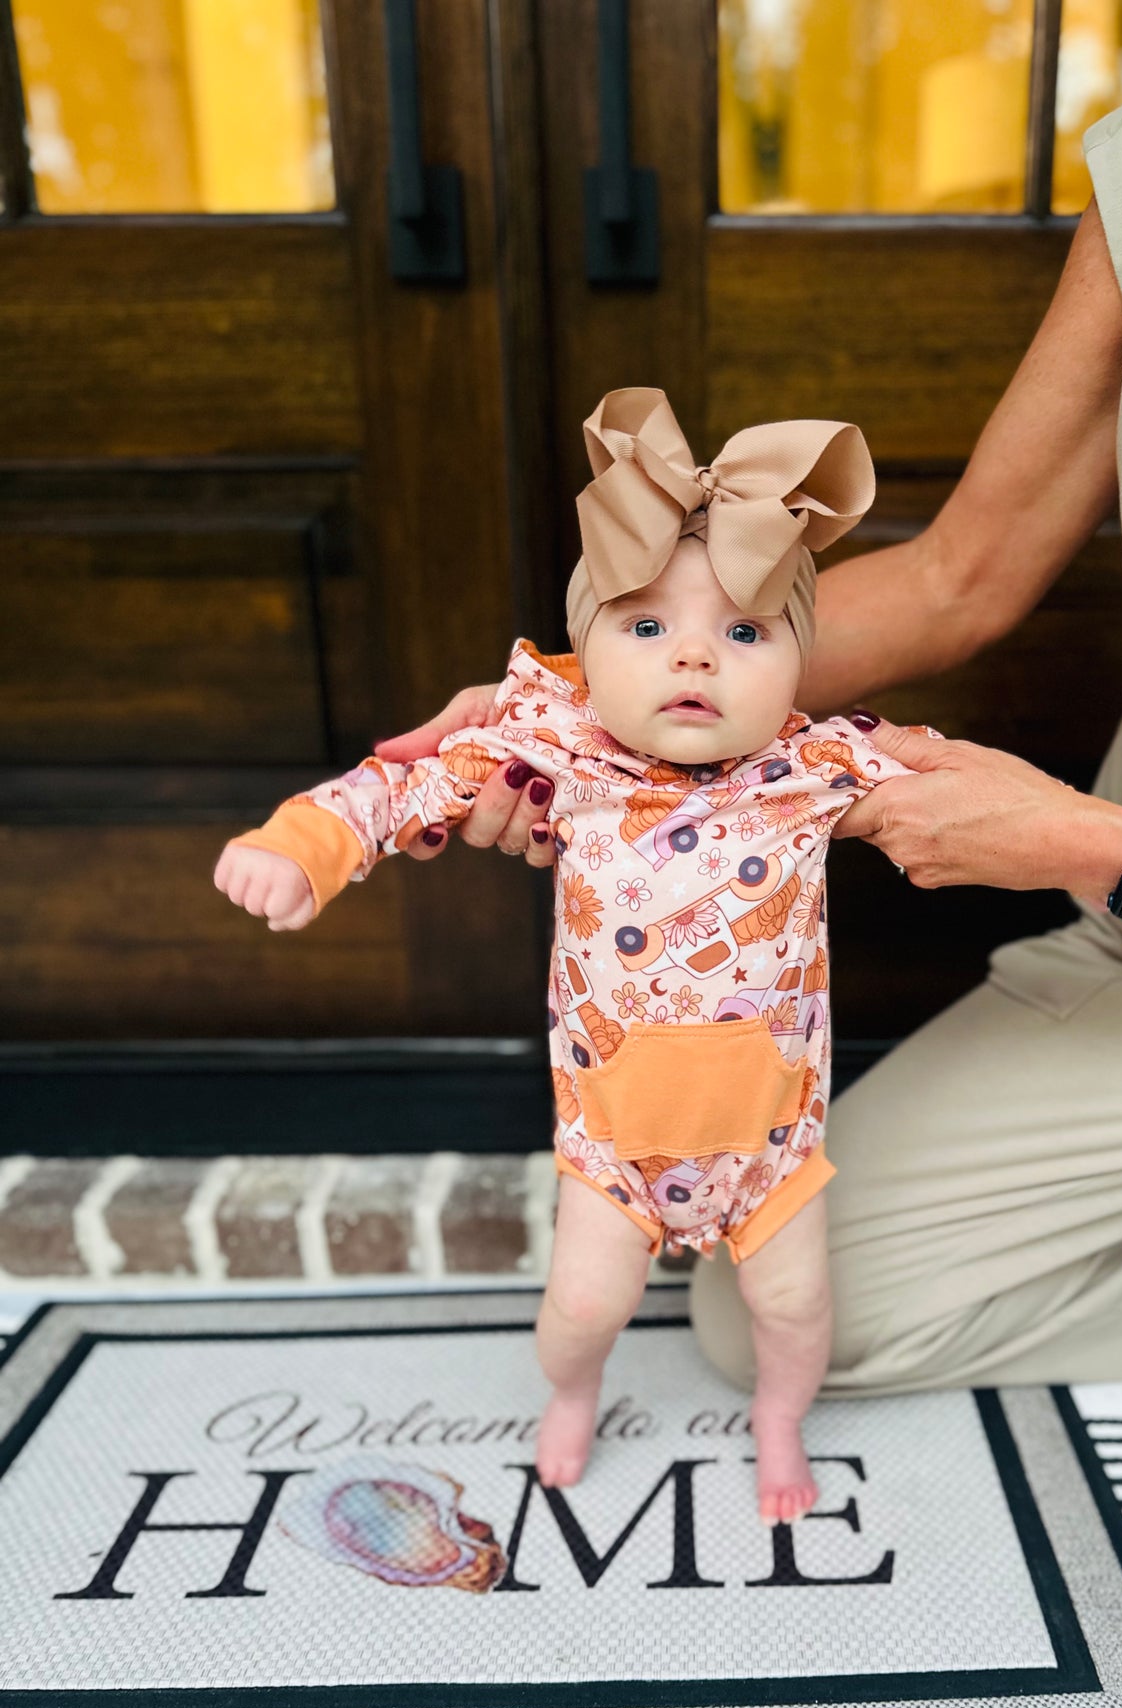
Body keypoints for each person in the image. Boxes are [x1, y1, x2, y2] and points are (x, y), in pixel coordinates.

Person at [375, 0, 1122, 1393]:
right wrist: (595, 700)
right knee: (787, 1313)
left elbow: (1109, 840)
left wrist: (1108, 844)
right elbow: (960, 573)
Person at [215, 389, 918, 1518]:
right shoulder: (554, 747)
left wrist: (1118, 845)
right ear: (579, 650)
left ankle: (780, 1417)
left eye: (743, 633)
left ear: (800, 661)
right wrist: (303, 843)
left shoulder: (817, 766)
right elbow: (403, 782)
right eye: (644, 628)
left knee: (794, 1313)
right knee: (576, 1311)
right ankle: (572, 1394)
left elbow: (967, 795)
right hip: (610, 1141)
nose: (693, 655)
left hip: (773, 1144)